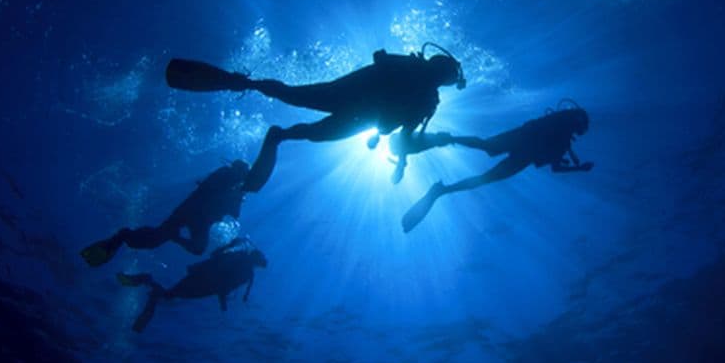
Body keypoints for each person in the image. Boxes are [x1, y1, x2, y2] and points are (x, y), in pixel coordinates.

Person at [165, 42, 467, 188]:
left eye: (445, 76)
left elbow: (405, 134)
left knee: (312, 126)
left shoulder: (427, 98)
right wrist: (400, 162)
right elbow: (404, 133)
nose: (441, 78)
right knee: (297, 100)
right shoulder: (422, 85)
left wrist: (400, 162)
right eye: (445, 74)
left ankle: (274, 127)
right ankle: (244, 84)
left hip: (358, 112)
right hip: (354, 104)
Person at [401, 103, 595, 232]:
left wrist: (579, 168)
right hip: (524, 150)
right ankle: (442, 188)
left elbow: (554, 166)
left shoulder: (561, 135)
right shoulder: (562, 137)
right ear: (578, 124)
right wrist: (579, 168)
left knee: (486, 148)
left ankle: (447, 141)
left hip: (521, 141)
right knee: (486, 171)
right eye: (581, 128)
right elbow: (556, 168)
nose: (579, 131)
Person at [80, 160, 250, 267]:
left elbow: (233, 212)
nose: (241, 176)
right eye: (242, 173)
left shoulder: (232, 185)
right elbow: (232, 210)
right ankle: (123, 236)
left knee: (194, 248)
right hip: (190, 212)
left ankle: (128, 236)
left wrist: (238, 196)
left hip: (196, 217)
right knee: (158, 240)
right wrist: (238, 195)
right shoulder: (225, 178)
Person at [116, 237, 267, 332]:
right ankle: (147, 282)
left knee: (169, 295)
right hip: (204, 285)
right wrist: (223, 303)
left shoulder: (238, 257)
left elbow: (215, 258)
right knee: (169, 296)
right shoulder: (246, 272)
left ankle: (147, 283)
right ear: (257, 262)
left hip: (199, 277)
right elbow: (226, 286)